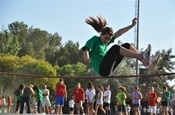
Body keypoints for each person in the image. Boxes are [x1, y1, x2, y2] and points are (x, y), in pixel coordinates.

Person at [82, 16, 160, 77]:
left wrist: (132, 25)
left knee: (126, 45)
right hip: (102, 69)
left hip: (109, 67)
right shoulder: (95, 39)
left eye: (109, 40)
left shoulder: (106, 43)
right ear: (101, 34)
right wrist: (86, 58)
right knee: (115, 48)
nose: (107, 41)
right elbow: (86, 49)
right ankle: (141, 56)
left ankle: (147, 63)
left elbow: (119, 32)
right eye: (106, 38)